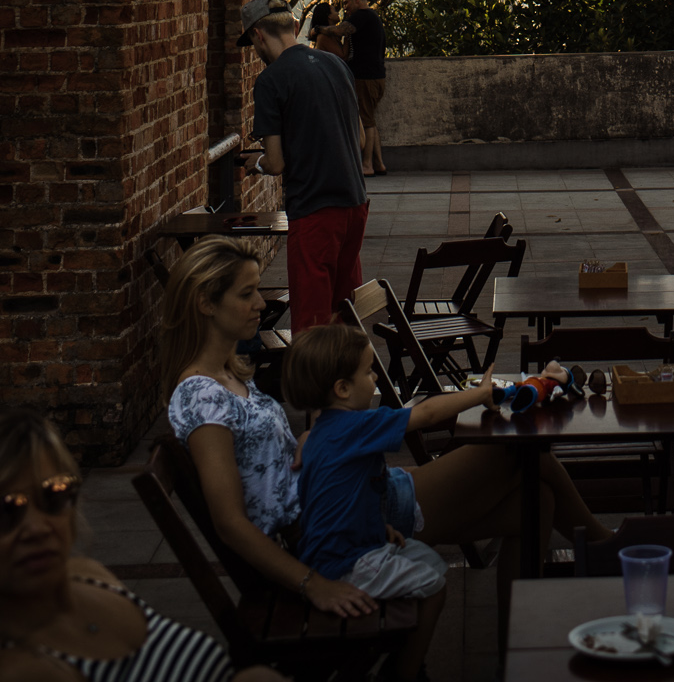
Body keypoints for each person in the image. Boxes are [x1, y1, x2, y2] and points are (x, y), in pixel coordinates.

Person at [162, 241, 613, 635]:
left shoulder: (229, 376)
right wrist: (312, 583)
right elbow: (229, 521)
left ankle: (520, 644)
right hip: (349, 518)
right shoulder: (203, 397)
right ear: (206, 303)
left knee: (534, 506)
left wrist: (304, 443)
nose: (261, 303)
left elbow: (263, 461)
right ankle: (606, 548)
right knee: (514, 456)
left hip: (352, 498)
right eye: (246, 294)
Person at [0, 404, 277, 682]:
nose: (36, 528)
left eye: (54, 494)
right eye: (6, 511)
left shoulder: (89, 575)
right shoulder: (21, 667)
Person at [284, 328, 495, 682]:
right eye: (368, 371)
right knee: (435, 587)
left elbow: (327, 502)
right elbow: (425, 415)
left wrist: (374, 525)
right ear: (343, 389)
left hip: (332, 551)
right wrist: (480, 394)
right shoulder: (357, 425)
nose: (376, 376)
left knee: (426, 558)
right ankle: (405, 672)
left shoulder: (320, 434)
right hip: (347, 563)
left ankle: (401, 654)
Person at [239, 0, 367, 331]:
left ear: (257, 35)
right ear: (294, 27)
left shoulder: (270, 80)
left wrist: (258, 163)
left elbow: (277, 163)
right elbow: (360, 139)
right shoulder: (336, 64)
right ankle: (348, 381)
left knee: (311, 326)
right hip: (355, 204)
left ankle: (314, 384)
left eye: (252, 44)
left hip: (314, 211)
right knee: (345, 317)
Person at [340, 0, 387, 177]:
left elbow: (341, 29)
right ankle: (378, 163)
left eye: (346, 3)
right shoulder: (372, 17)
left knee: (366, 122)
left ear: (357, 0)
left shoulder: (362, 16)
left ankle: (366, 165)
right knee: (370, 121)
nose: (345, 8)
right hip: (375, 76)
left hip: (366, 78)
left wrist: (318, 30)